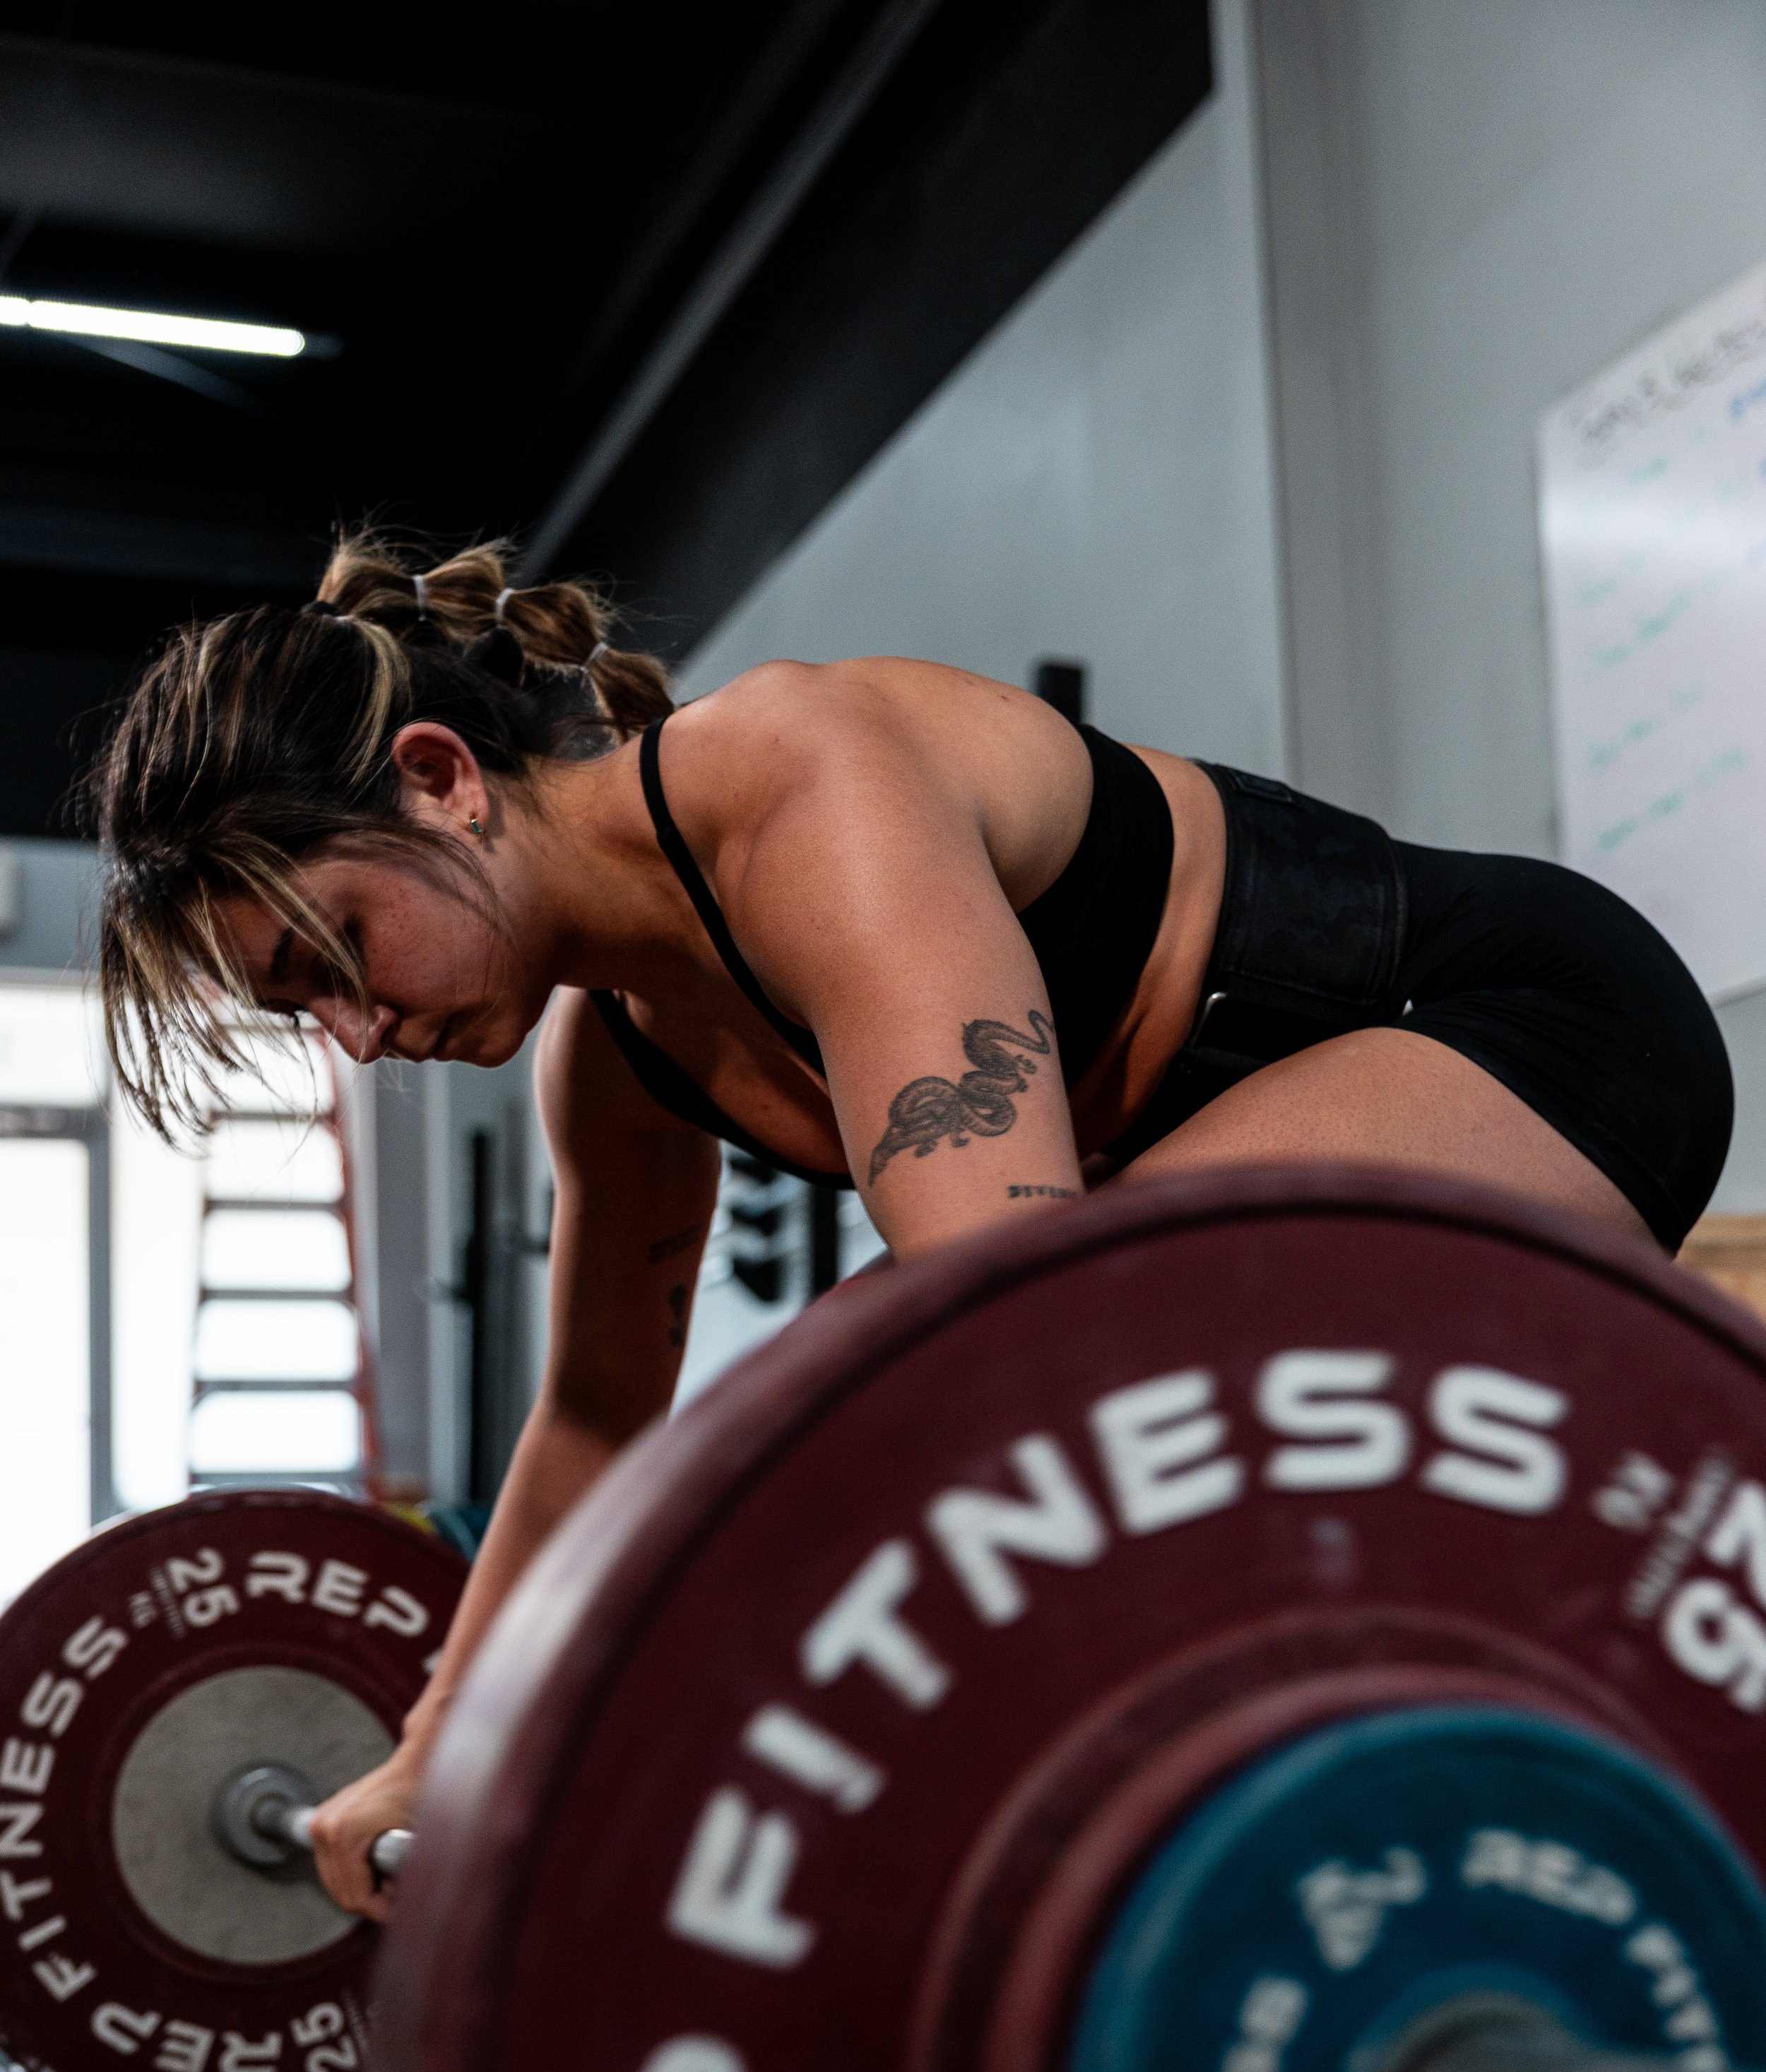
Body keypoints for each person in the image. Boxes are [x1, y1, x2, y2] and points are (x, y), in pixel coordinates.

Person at [92, 532, 1733, 1914]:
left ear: (439, 781)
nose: (356, 1038)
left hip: (1525, 1030)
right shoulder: (614, 1063)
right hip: (1248, 1167)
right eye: (301, 1009)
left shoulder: (788, 781)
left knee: (877, 1387)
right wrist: (441, 1740)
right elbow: (595, 1413)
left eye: (336, 956)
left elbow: (1013, 1332)